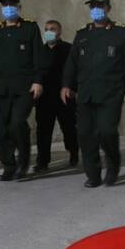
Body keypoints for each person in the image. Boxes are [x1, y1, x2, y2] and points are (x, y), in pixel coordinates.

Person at [62, 0, 125, 188]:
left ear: (108, 8)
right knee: (85, 135)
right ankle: (93, 174)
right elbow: (72, 63)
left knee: (107, 131)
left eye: (100, 6)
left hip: (111, 93)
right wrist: (66, 85)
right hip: (86, 93)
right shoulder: (82, 34)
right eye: (93, 6)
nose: (96, 9)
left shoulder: (121, 33)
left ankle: (113, 165)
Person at [0, 0, 47, 181]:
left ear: (19, 6)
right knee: (2, 129)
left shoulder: (30, 28)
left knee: (17, 123)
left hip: (25, 88)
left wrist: (38, 81)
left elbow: (38, 57)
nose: (8, 7)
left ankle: (23, 162)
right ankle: (8, 166)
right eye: (5, 4)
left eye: (11, 4)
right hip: (2, 88)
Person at [34, 20, 79, 172]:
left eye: (52, 29)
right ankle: (42, 161)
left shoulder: (69, 49)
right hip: (44, 97)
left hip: (64, 96)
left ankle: (73, 152)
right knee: (43, 130)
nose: (49, 32)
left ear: (59, 31)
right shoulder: (39, 51)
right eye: (46, 29)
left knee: (69, 128)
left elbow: (76, 71)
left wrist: (73, 90)